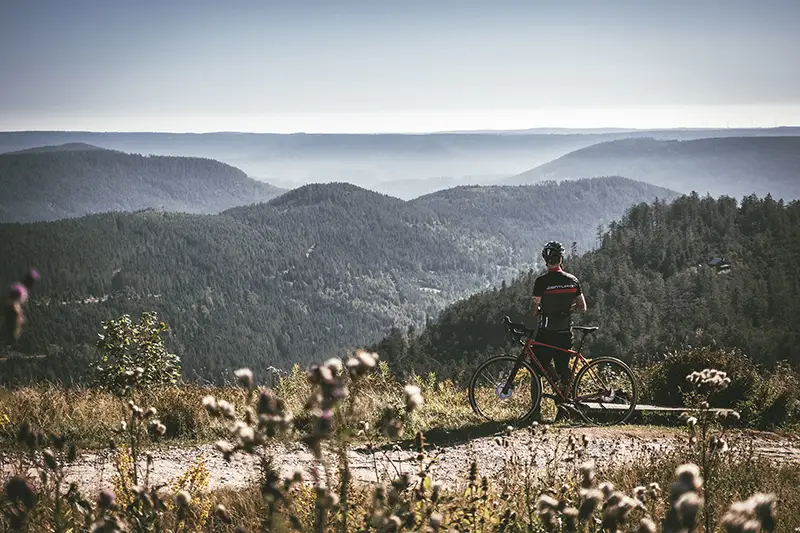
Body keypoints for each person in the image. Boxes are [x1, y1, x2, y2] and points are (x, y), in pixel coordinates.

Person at [527, 241, 587, 396]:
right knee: (563, 369)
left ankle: (535, 412)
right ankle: (564, 410)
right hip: (565, 332)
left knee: (536, 368)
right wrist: (568, 309)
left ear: (546, 261)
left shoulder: (542, 282)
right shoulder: (572, 280)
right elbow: (582, 307)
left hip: (546, 332)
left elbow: (534, 310)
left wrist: (540, 310)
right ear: (561, 259)